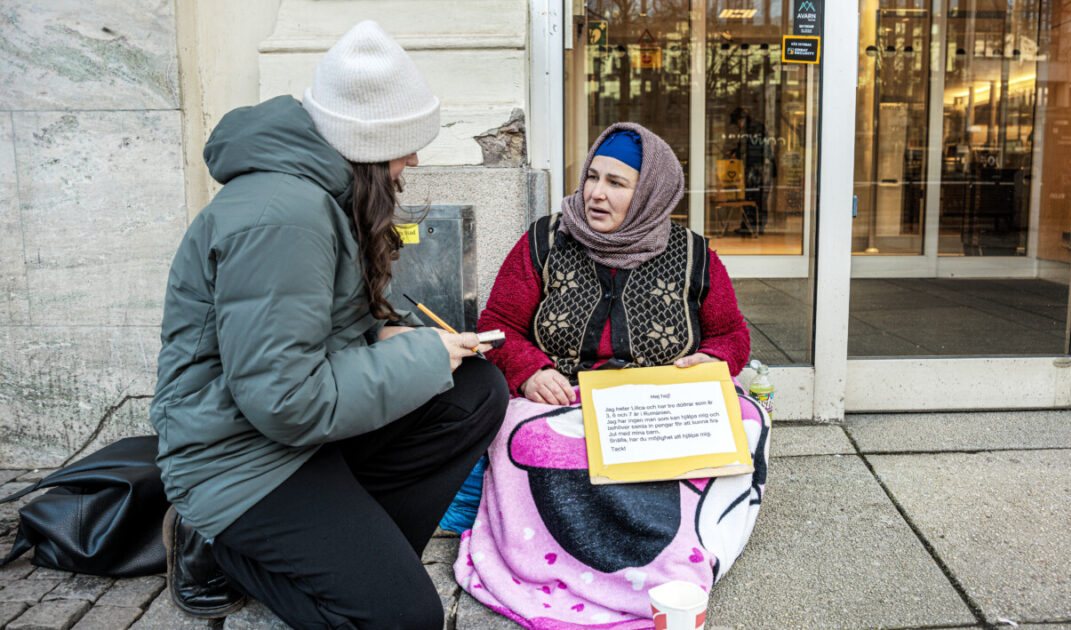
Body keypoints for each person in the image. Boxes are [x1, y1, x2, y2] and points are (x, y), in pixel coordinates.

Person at [150, 21, 507, 630]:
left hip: (289, 439)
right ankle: (222, 548)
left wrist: (387, 337)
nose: (413, 160)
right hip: (240, 459)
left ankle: (359, 555)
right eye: (405, 145)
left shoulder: (320, 195)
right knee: (404, 620)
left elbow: (313, 335)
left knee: (472, 391)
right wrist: (420, 358)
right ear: (368, 143)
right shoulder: (284, 219)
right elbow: (285, 398)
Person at [453, 122, 769, 628]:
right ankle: (551, 564)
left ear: (649, 194)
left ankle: (672, 564)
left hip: (658, 402)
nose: (596, 194)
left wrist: (715, 360)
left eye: (617, 183)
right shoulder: (544, 240)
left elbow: (731, 333)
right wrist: (530, 371)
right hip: (564, 397)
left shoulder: (694, 254)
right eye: (592, 177)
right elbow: (500, 324)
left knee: (747, 420)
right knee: (521, 433)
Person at [728, 107, 771, 236]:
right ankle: (754, 226)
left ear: (740, 119)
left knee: (752, 197)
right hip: (760, 169)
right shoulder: (756, 128)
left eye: (737, 123)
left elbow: (750, 150)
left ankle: (751, 226)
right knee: (758, 199)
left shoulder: (751, 129)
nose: (737, 126)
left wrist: (736, 153)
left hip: (756, 169)